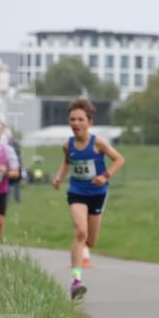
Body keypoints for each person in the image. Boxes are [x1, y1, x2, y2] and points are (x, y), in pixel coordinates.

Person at [52, 99, 126, 300]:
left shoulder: (98, 143)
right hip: (77, 191)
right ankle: (76, 281)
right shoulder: (67, 144)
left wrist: (105, 176)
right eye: (72, 119)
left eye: (80, 119)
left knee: (91, 241)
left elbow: (119, 159)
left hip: (98, 194)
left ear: (89, 122)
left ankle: (81, 255)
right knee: (80, 232)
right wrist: (59, 177)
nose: (75, 123)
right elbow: (67, 162)